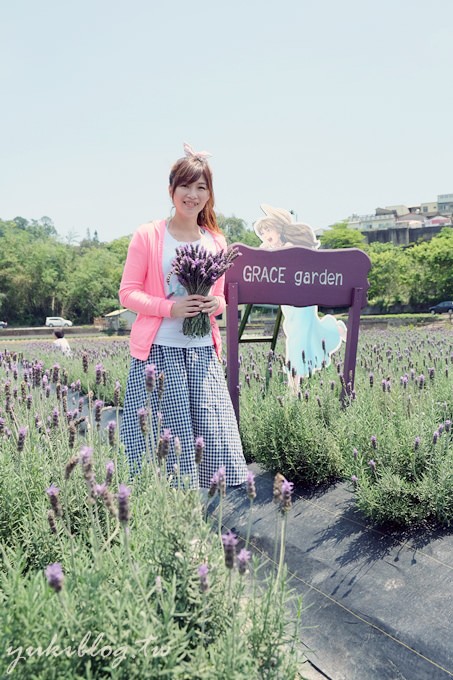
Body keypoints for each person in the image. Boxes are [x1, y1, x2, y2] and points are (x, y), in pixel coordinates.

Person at [119, 143, 248, 489]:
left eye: (200, 187)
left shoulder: (216, 241)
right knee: (165, 449)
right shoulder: (148, 235)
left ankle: (198, 526)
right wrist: (170, 308)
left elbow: (220, 297)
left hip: (203, 352)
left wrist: (212, 305)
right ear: (171, 190)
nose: (192, 195)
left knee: (212, 444)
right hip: (160, 352)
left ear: (209, 194)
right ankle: (171, 525)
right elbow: (127, 292)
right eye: (186, 186)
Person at [254, 204, 346, 378]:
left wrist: (266, 249)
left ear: (279, 229)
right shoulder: (275, 248)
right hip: (288, 302)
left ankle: (293, 386)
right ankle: (334, 330)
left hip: (302, 301)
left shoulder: (289, 246)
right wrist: (265, 246)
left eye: (268, 230)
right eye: (262, 233)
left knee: (298, 338)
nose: (266, 236)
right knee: (304, 333)